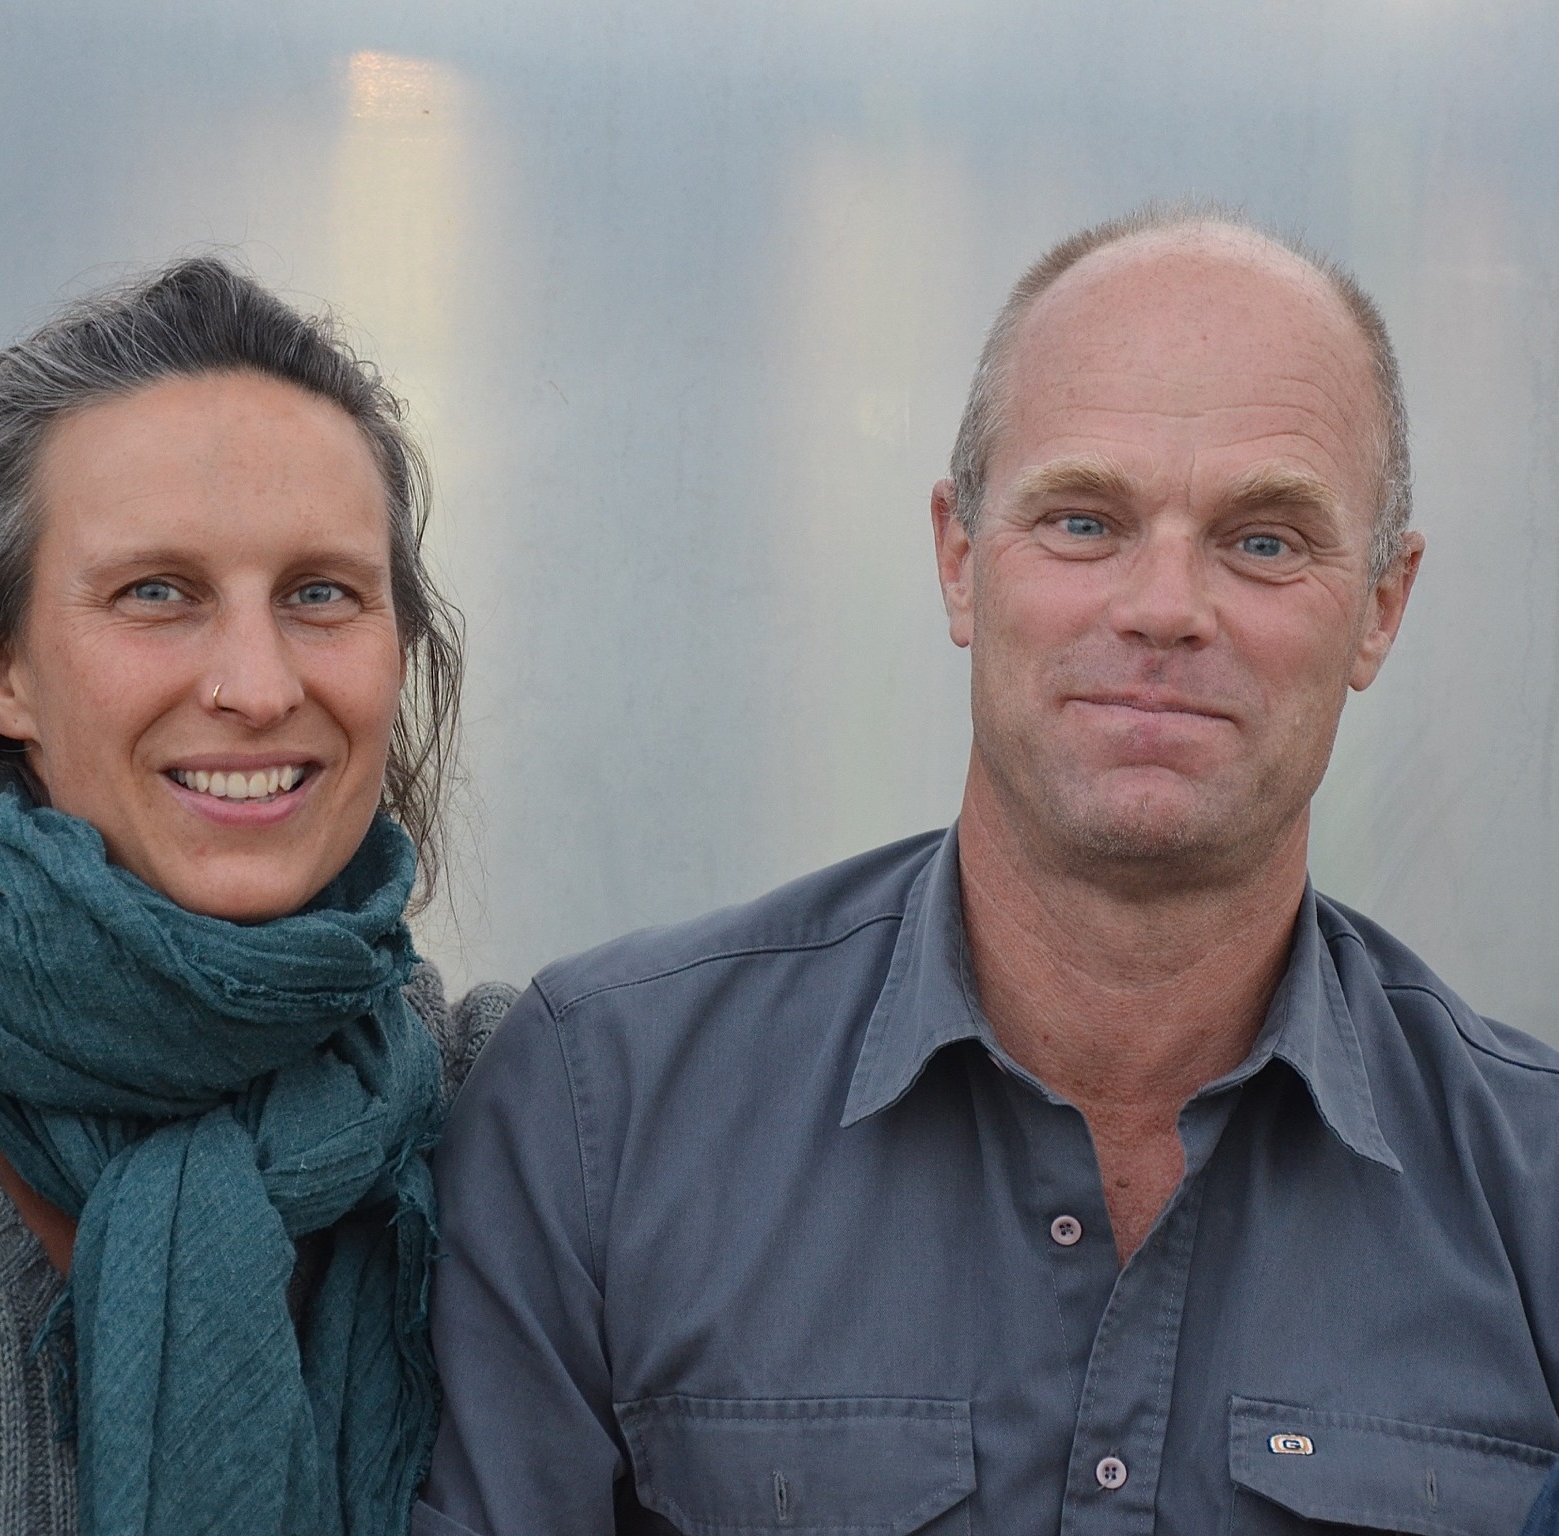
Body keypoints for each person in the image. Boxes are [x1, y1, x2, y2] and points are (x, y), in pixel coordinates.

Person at [415, 203, 1559, 1535]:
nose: (1163, 607)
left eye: (1263, 540)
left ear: (1381, 606)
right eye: (1082, 521)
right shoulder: (603, 1109)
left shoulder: (1532, 1193)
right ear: (959, 560)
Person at [0, 257, 512, 1536]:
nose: (257, 687)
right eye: (156, 593)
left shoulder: (496, 1108)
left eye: (321, 594)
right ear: (1, 671)